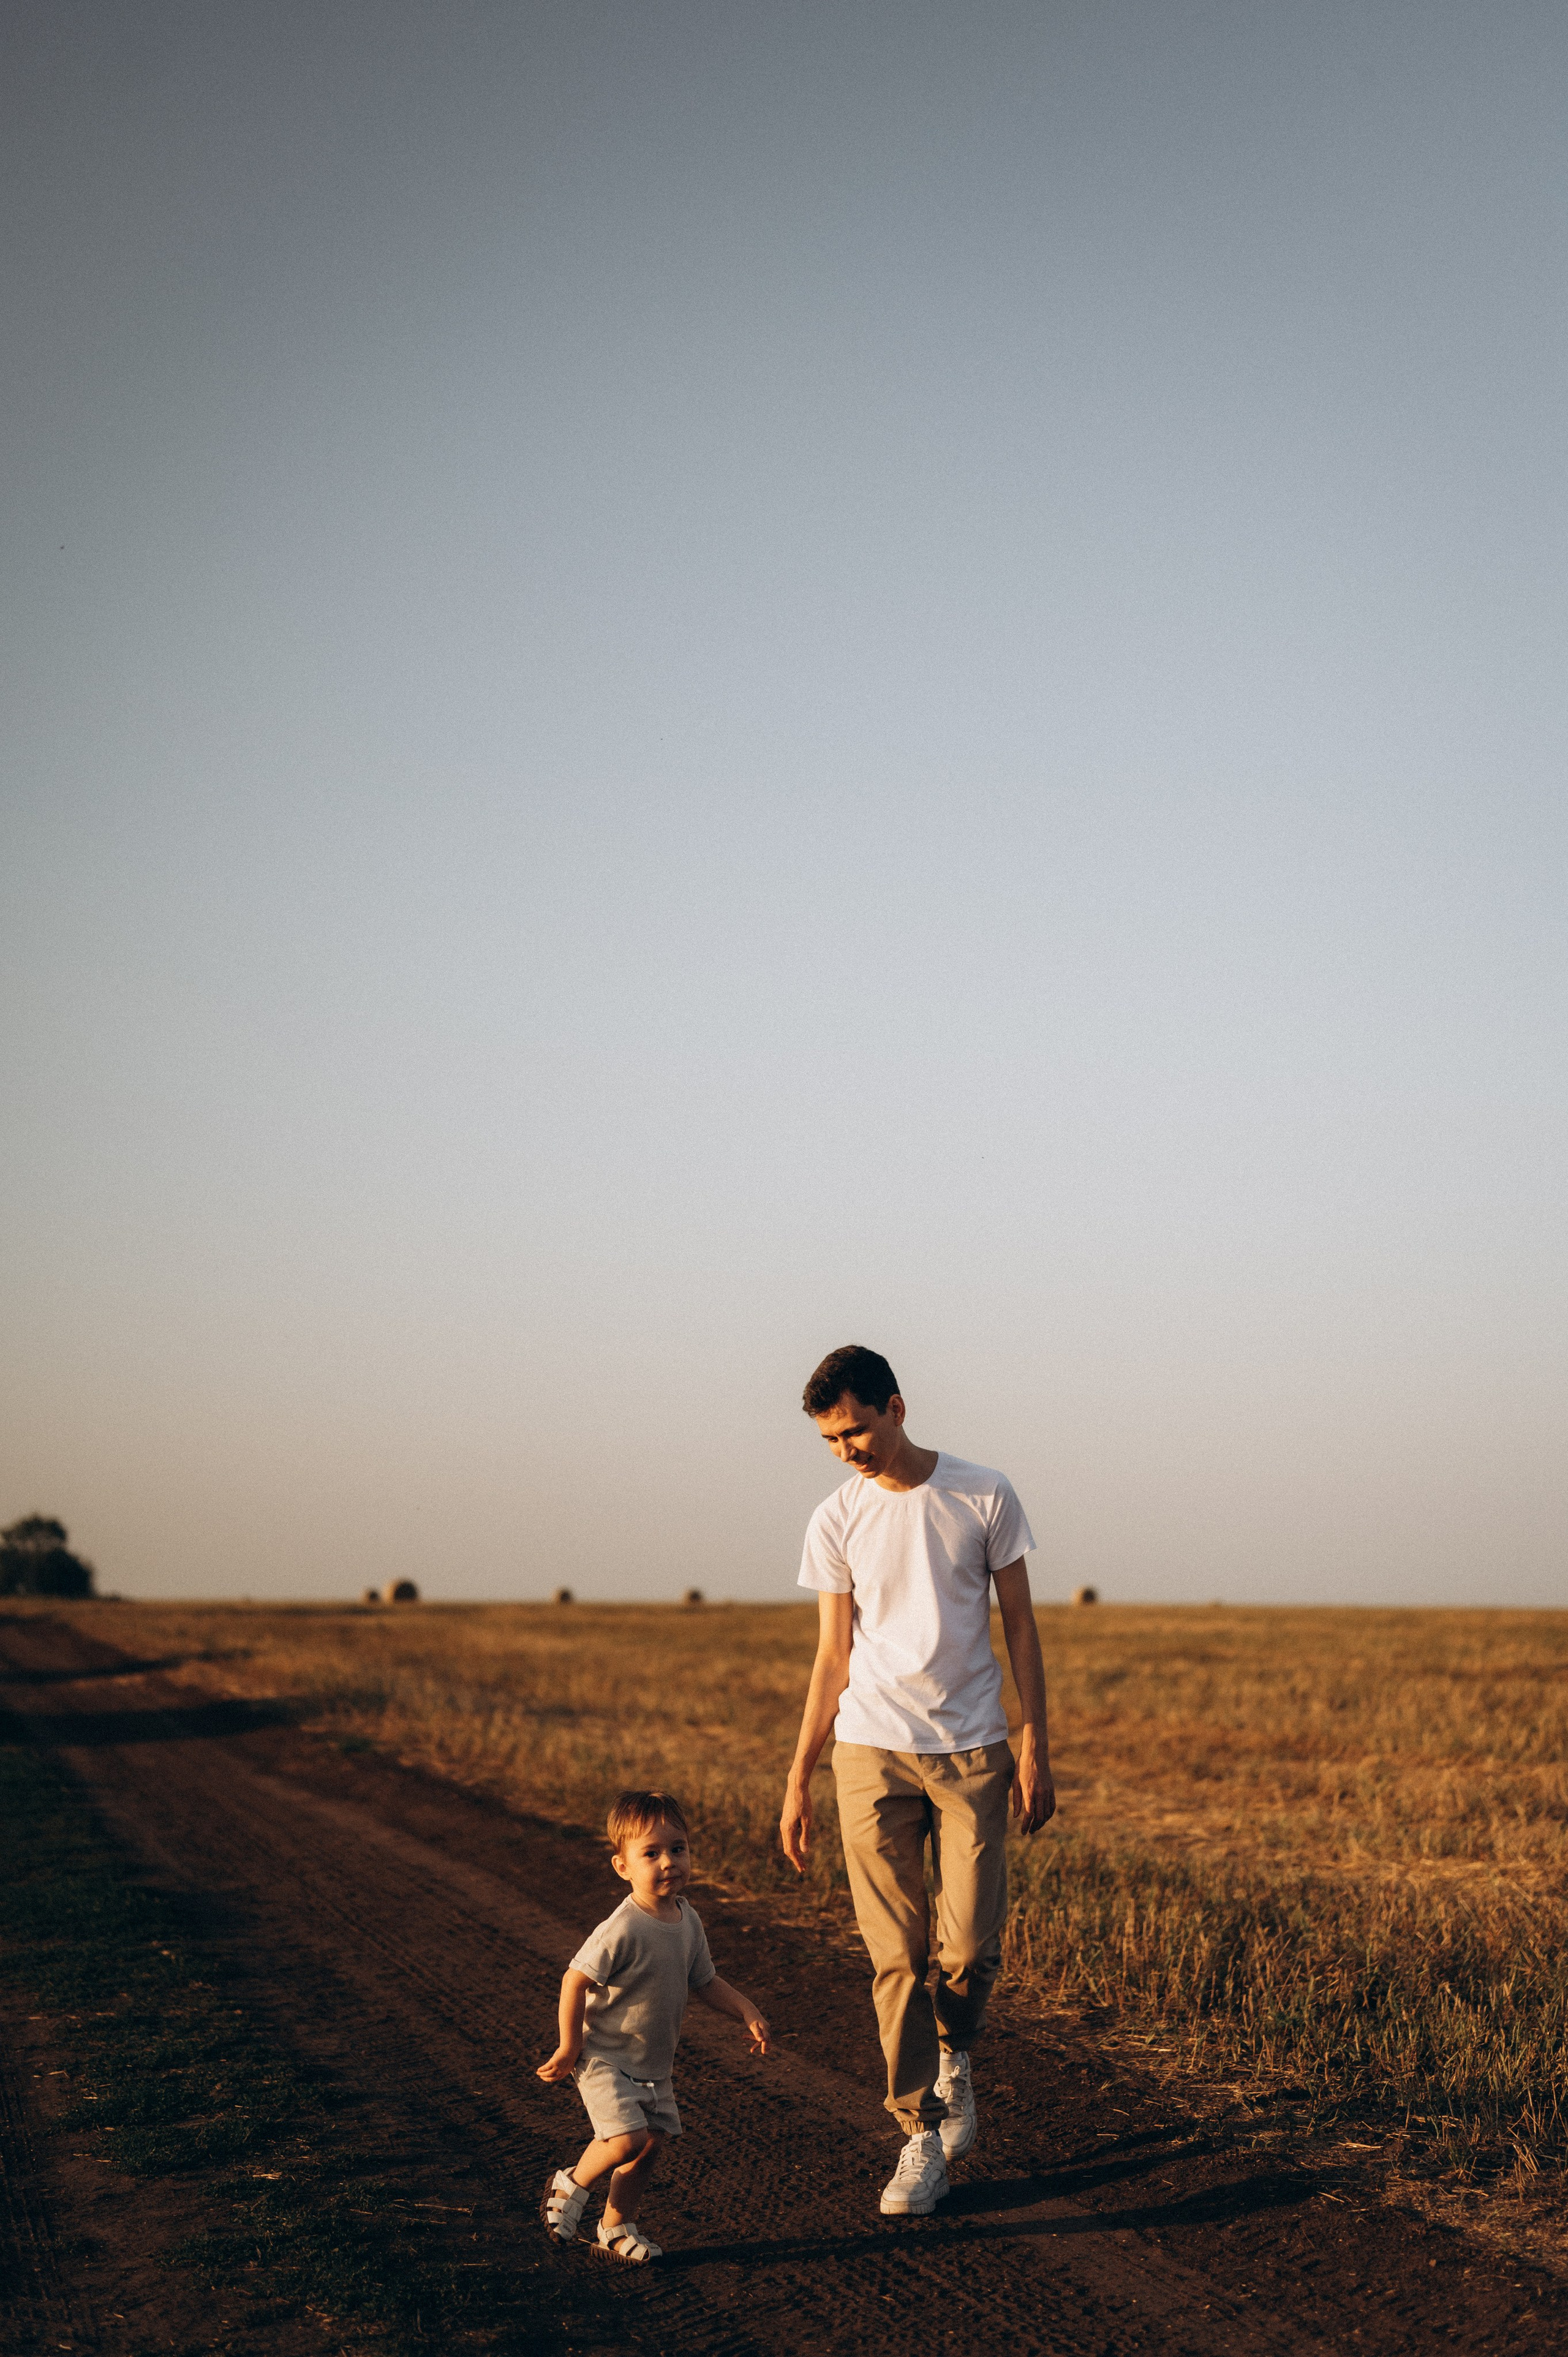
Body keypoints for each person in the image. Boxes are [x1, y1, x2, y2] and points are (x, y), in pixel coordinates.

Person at [780, 1344, 1055, 2217]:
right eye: (830, 1439)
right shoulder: (836, 1519)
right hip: (869, 1751)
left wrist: (1035, 1742)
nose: (846, 1450)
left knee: (968, 1948)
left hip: (972, 1749)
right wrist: (797, 1779)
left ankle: (957, 2055)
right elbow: (832, 1657)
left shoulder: (985, 1493)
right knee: (894, 1958)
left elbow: (1021, 1625)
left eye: (855, 1429)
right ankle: (920, 2136)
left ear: (896, 1408)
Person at [537, 1788, 771, 2263]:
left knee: (650, 2147)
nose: (669, 1862)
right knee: (627, 2140)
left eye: (678, 1849)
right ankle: (572, 2183)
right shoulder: (623, 1927)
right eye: (651, 1853)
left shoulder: (688, 1921)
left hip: (653, 2065)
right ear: (622, 1866)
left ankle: (615, 2225)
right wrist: (568, 2048)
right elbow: (574, 1980)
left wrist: (747, 2010)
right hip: (605, 2056)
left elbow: (705, 1980)